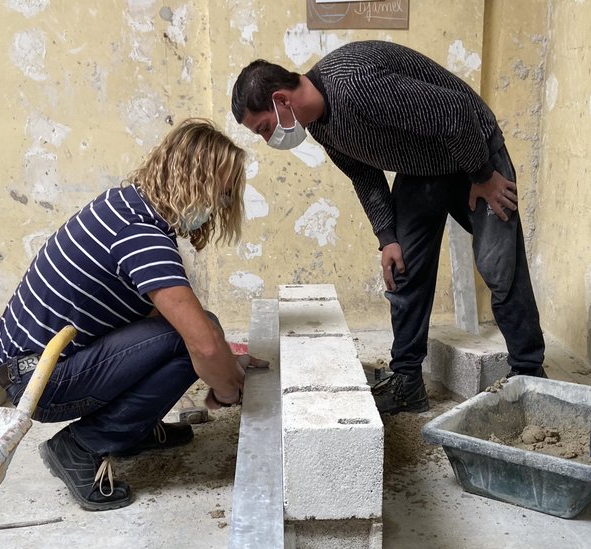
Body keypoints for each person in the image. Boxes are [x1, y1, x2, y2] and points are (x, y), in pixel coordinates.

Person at [230, 40, 547, 416]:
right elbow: (364, 176)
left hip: (473, 152)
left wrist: (483, 176)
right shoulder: (320, 126)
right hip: (422, 168)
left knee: (500, 266)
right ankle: (408, 383)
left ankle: (530, 374)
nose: (268, 140)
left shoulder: (354, 84)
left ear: (281, 100)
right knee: (403, 269)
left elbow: (455, 112)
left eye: (265, 128)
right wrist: (387, 238)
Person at [0, 118, 264, 511]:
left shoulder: (125, 206)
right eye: (220, 195)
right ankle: (81, 446)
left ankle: (133, 429)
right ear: (195, 182)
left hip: (31, 365)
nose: (218, 207)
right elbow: (200, 343)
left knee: (199, 330)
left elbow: (164, 320)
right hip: (40, 380)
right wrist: (226, 388)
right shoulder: (141, 235)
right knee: (191, 339)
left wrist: (225, 356)